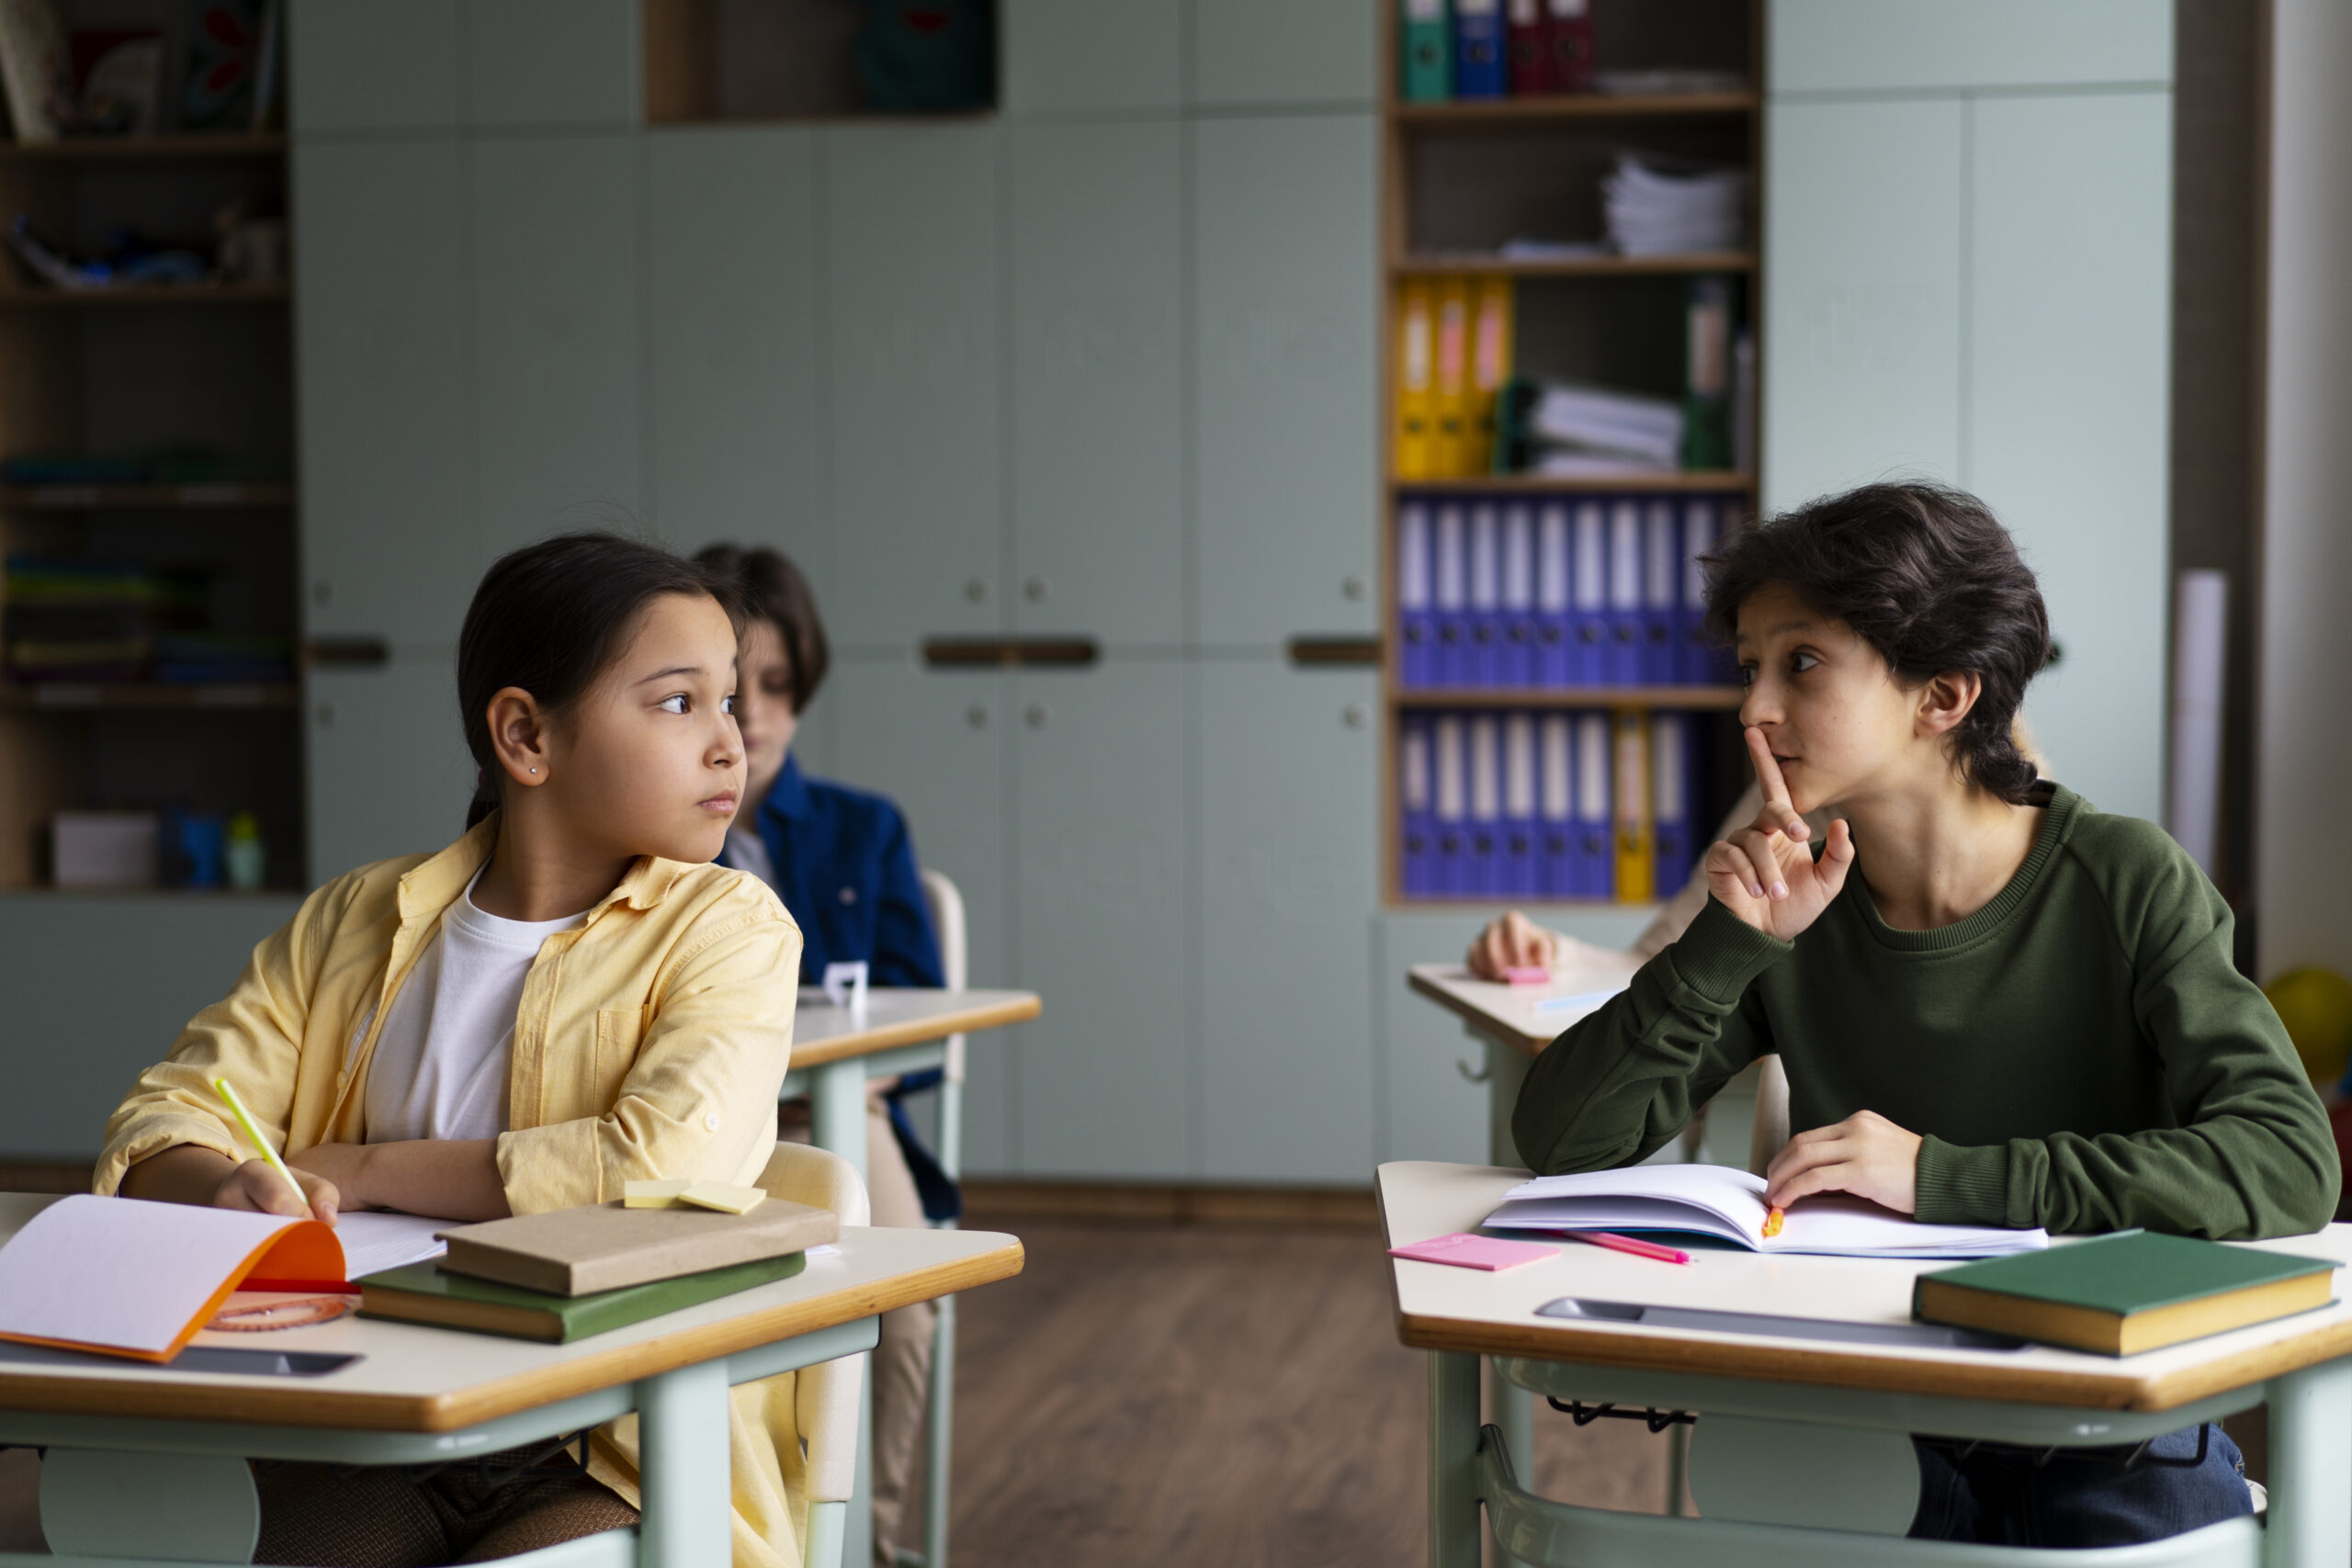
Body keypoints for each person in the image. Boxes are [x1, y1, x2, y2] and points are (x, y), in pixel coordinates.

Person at [1508, 481, 2337, 1547]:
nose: (1753, 708)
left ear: (1942, 696)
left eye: (1798, 663)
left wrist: (1937, 1177)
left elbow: (2285, 1161)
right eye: (1748, 668)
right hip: (1864, 1416)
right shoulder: (1793, 908)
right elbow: (1560, 1138)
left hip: (2105, 1426)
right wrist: (1728, 945)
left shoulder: (2127, 880)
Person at [97, 534, 815, 1568]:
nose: (727, 742)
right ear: (526, 735)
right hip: (365, 1428)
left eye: (729, 701)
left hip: (603, 1446)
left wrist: (366, 1169)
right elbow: (169, 1111)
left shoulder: (731, 929)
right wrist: (222, 1189)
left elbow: (663, 1168)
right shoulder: (353, 918)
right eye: (677, 701)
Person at [694, 543, 945, 1568]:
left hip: (845, 1112)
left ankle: (864, 1542)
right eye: (720, 687)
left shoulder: (861, 828)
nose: (751, 713)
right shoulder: (649, 829)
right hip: (698, 1128)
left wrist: (854, 1084)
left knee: (906, 1304)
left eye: (776, 686)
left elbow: (926, 1007)